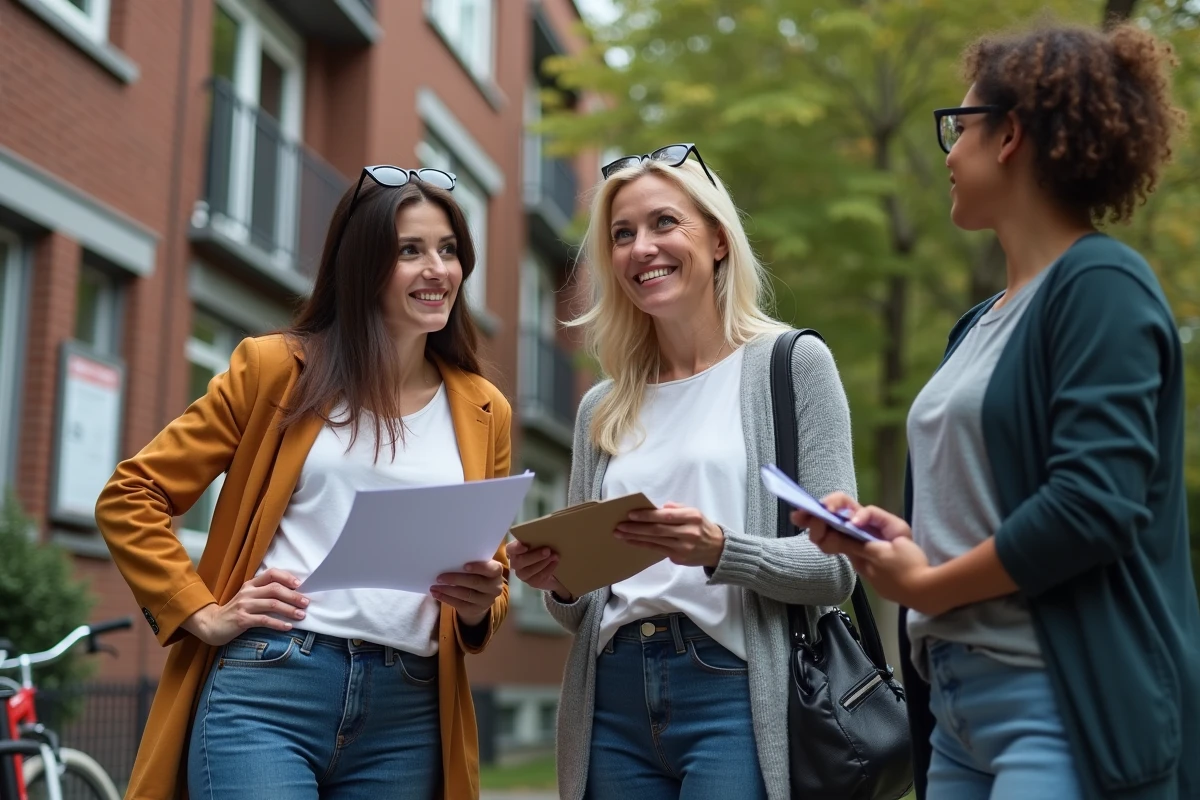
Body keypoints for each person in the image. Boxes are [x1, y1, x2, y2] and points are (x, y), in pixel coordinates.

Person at [793, 22, 1200, 800]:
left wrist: (929, 585)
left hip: (1058, 700)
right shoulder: (976, 324)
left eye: (961, 125)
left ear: (1010, 134)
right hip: (954, 702)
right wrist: (901, 541)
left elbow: (1090, 507)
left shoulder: (1102, 287)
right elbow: (998, 506)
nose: (949, 152)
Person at [96, 166, 513, 800]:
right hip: (272, 685)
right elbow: (133, 495)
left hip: (410, 711)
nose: (438, 270)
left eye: (448, 250)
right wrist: (198, 611)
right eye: (410, 250)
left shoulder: (485, 410)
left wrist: (483, 602)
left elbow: (492, 570)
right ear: (362, 265)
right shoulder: (275, 370)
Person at [507, 144, 858, 800]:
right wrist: (559, 584)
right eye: (622, 234)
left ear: (720, 240)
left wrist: (723, 550)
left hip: (732, 691)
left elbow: (836, 567)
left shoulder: (791, 365)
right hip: (610, 698)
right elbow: (581, 611)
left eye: (665, 223)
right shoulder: (601, 408)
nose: (642, 247)